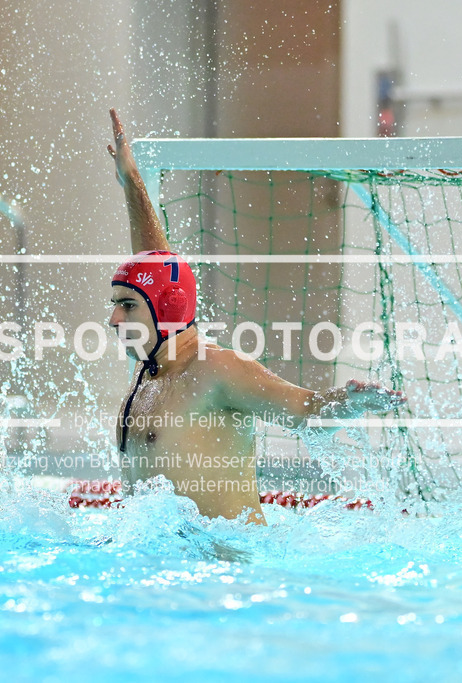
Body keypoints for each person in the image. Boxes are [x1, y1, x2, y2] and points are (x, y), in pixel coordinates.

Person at [105, 109, 406, 524]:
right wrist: (132, 185)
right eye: (115, 305)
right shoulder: (151, 372)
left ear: (166, 310)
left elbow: (305, 413)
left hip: (223, 572)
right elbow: (157, 267)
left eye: (127, 306)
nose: (114, 320)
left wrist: (349, 403)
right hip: (163, 568)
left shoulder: (217, 370)